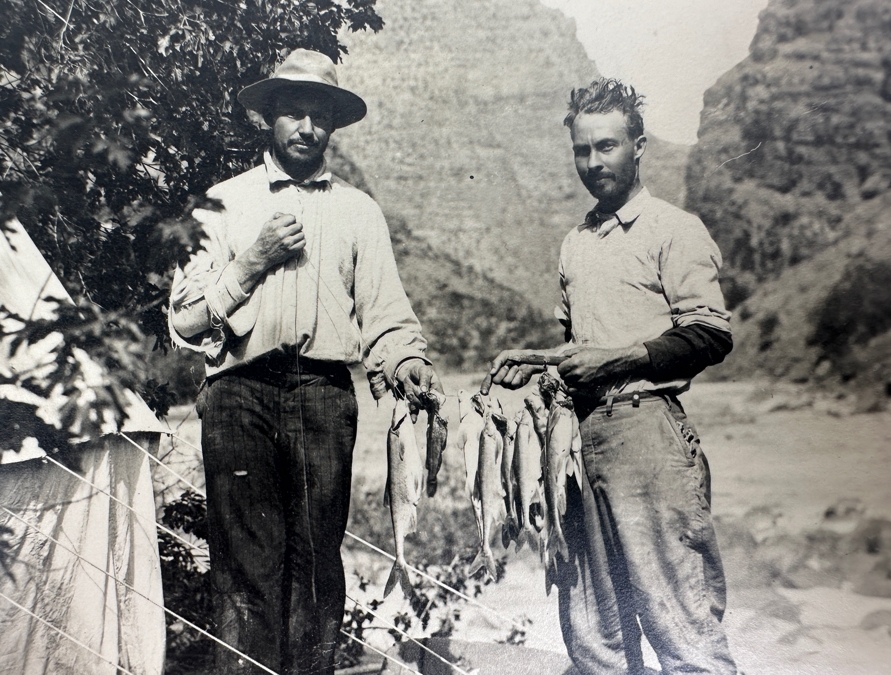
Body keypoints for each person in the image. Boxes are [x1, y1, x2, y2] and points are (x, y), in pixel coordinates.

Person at [168, 48, 441, 675]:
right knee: (244, 567)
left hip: (323, 395)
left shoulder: (358, 211)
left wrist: (409, 364)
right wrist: (250, 263)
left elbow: (388, 318)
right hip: (238, 396)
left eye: (319, 116)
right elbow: (184, 323)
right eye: (293, 113)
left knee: (317, 566)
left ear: (334, 125)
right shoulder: (221, 204)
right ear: (268, 117)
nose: (306, 128)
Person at [490, 77, 737, 674]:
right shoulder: (576, 242)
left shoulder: (674, 229)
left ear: (638, 146)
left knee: (683, 629)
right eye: (582, 150)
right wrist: (543, 363)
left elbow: (709, 334)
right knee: (595, 634)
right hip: (580, 443)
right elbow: (586, 346)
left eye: (607, 146)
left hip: (648, 434)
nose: (594, 162)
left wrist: (617, 360)